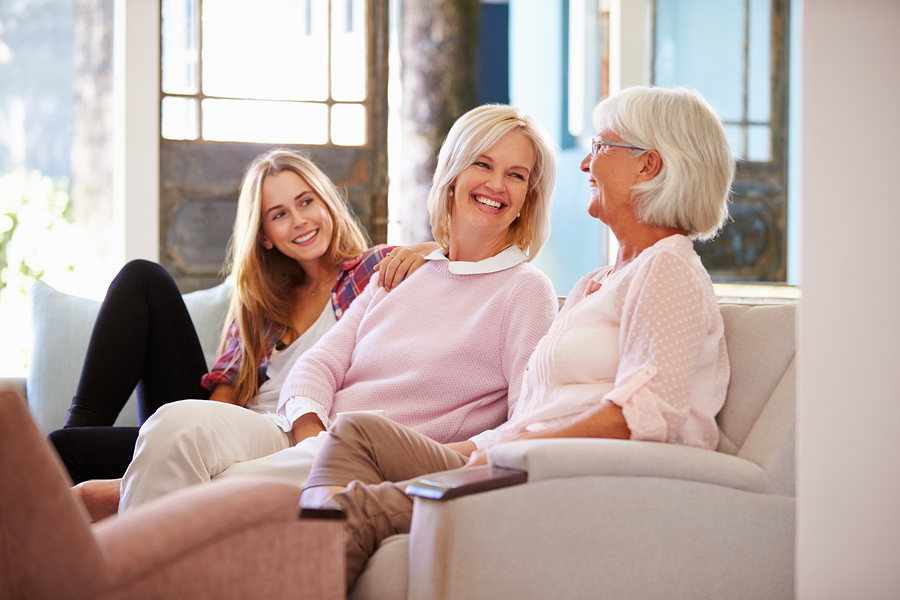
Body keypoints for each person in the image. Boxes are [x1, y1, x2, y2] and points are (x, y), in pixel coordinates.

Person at [297, 85, 736, 590]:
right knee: (357, 432)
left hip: (560, 473)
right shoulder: (599, 282)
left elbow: (648, 413)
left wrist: (512, 451)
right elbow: (534, 405)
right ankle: (307, 551)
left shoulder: (668, 268)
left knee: (352, 511)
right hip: (521, 456)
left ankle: (302, 560)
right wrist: (485, 448)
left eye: (600, 147)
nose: (585, 164)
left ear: (648, 166)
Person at [113, 104, 560, 514]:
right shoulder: (404, 273)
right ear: (453, 174)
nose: (497, 185)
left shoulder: (525, 291)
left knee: (220, 488)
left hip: (375, 455)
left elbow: (528, 423)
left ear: (529, 197)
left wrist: (444, 456)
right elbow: (318, 363)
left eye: (517, 175)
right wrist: (311, 436)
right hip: (307, 433)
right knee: (173, 424)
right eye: (483, 164)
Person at [49, 148, 433, 511]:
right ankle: (87, 436)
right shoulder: (262, 305)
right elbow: (221, 403)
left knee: (68, 452)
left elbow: (454, 255)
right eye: (279, 214)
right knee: (142, 279)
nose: (299, 220)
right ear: (264, 235)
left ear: (327, 204)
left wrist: (420, 251)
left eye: (306, 201)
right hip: (225, 432)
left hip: (290, 440)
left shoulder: (369, 271)